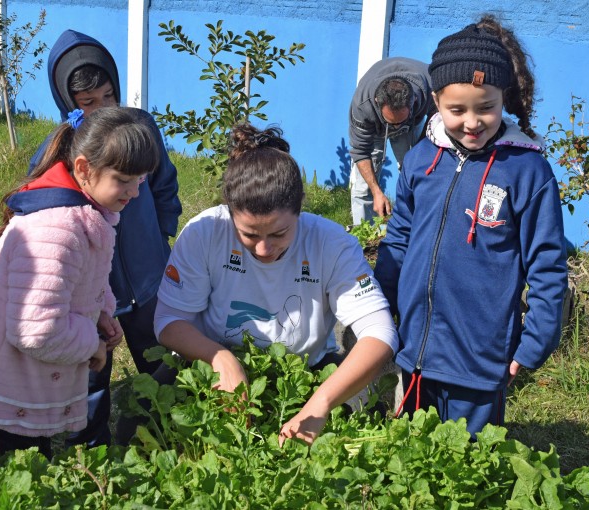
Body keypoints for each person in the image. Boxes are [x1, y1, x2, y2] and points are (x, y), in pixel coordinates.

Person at [374, 15, 568, 436]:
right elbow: (399, 239)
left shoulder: (527, 171)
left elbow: (547, 264)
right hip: (415, 351)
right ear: (435, 100)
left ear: (505, 99)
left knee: (470, 468)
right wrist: (381, 307)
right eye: (456, 109)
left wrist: (536, 340)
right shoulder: (421, 160)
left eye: (487, 108)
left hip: (479, 360)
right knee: (414, 462)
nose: (472, 122)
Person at [147, 123, 399, 445]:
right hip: (208, 362)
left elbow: (380, 333)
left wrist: (320, 403)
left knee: (367, 420)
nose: (263, 249)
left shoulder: (332, 243)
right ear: (229, 210)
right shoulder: (204, 233)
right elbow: (169, 320)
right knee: (140, 418)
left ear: (301, 207)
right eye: (249, 234)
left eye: (279, 233)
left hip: (305, 369)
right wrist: (221, 359)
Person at [0, 107, 161, 457]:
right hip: (3, 386)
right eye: (124, 180)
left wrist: (100, 311)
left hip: (21, 379)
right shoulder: (57, 230)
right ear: (84, 168)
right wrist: (91, 346)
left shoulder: (88, 209)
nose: (134, 192)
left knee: (32, 464)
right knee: (10, 476)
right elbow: (35, 330)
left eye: (140, 180)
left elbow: (82, 280)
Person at [29, 29, 183, 447]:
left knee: (160, 360)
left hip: (149, 278)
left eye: (108, 97)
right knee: (91, 372)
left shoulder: (140, 128)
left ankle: (167, 432)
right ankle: (92, 448)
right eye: (88, 103)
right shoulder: (61, 149)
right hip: (93, 294)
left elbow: (165, 186)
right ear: (68, 102)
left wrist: (160, 236)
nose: (101, 110)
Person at [348, 57, 435, 225]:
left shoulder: (431, 86)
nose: (394, 128)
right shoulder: (362, 105)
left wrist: (420, 148)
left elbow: (437, 116)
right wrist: (376, 191)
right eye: (391, 122)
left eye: (399, 121)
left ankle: (411, 227)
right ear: (376, 102)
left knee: (416, 171)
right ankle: (362, 237)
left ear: (414, 101)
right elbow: (360, 151)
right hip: (374, 126)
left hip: (411, 125)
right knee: (362, 187)